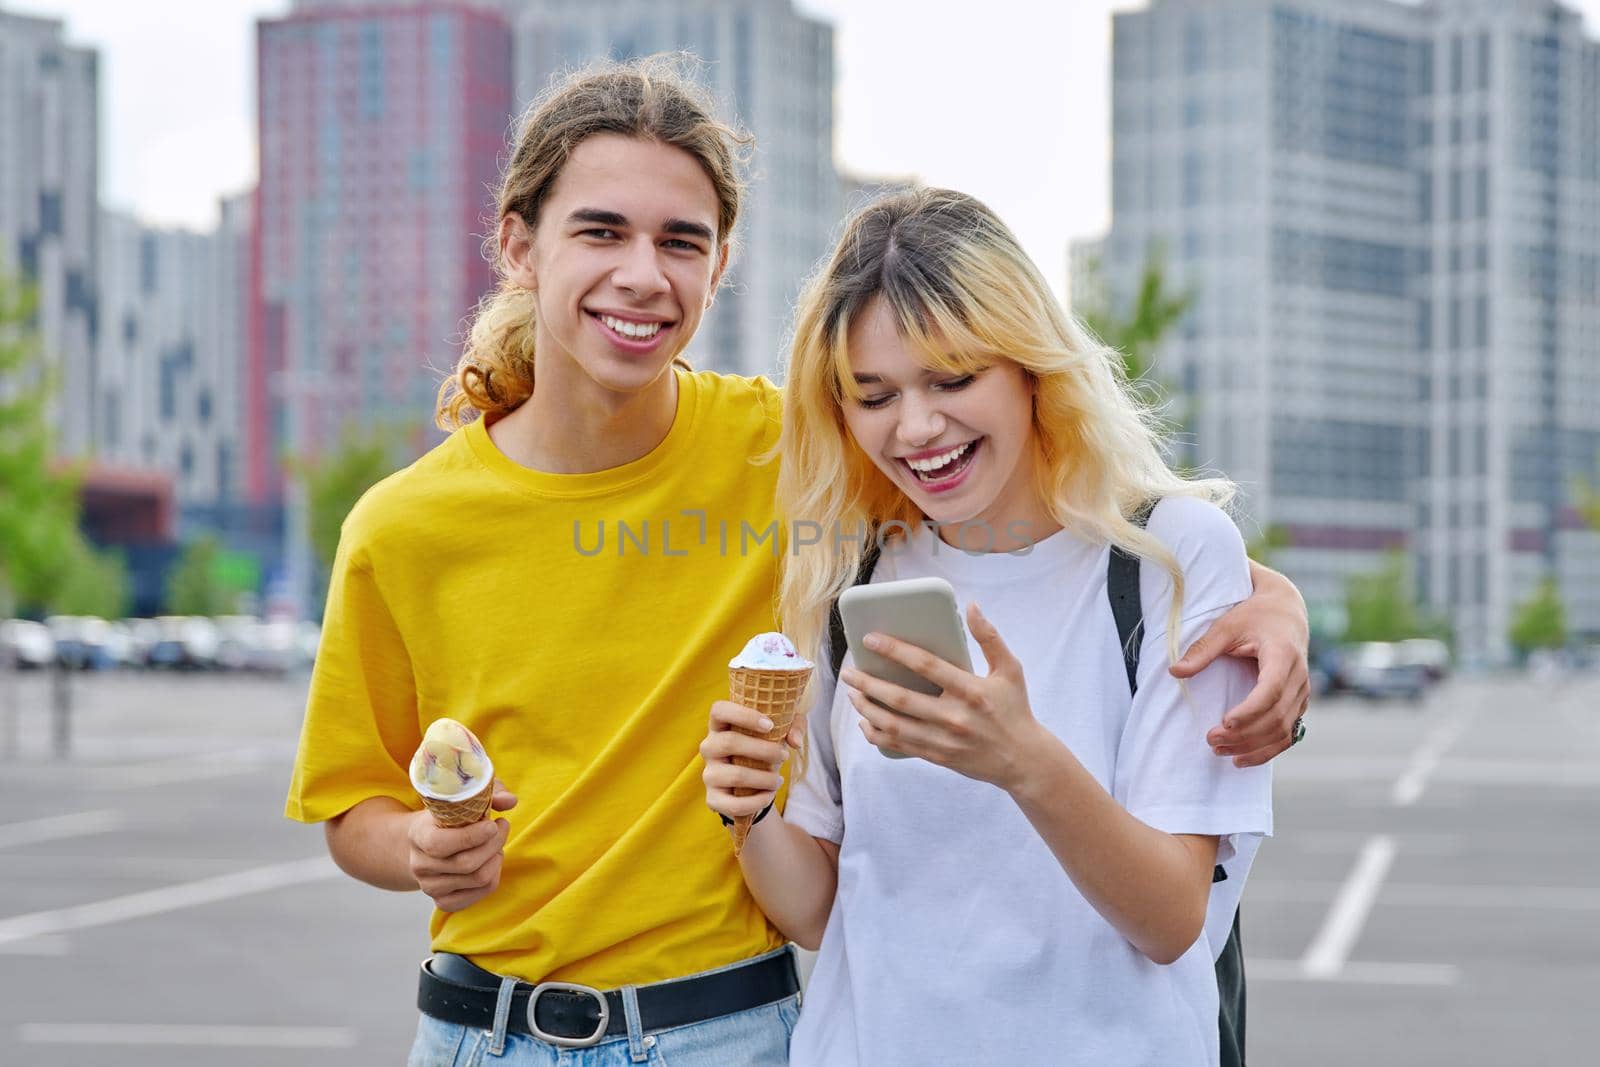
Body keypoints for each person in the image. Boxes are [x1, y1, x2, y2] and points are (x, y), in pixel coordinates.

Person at [286, 58, 1305, 1067]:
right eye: (600, 230)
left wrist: (1269, 600)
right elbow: (350, 805)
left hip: (726, 1029)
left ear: (717, 266)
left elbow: (1061, 527)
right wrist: (420, 846)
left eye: (680, 240)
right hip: (482, 1030)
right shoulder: (402, 526)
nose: (643, 273)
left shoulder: (796, 462)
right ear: (517, 244)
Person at [701, 187, 1276, 1066]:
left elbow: (1169, 919)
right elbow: (823, 909)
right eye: (875, 394)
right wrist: (749, 816)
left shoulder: (1169, 557)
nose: (918, 427)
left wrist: (1021, 759)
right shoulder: (851, 572)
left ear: (1030, 368)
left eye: (952, 378)